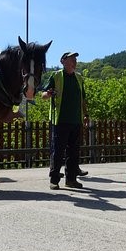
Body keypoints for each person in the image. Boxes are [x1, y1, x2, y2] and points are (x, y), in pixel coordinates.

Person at [42, 51, 89, 190]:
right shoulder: (56, 76)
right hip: (60, 120)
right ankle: (54, 180)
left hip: (76, 120)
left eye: (75, 59)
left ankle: (71, 180)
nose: (75, 62)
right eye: (71, 59)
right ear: (63, 61)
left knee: (73, 152)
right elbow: (43, 95)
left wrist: (86, 115)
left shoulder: (79, 78)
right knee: (58, 151)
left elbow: (83, 99)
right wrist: (49, 94)